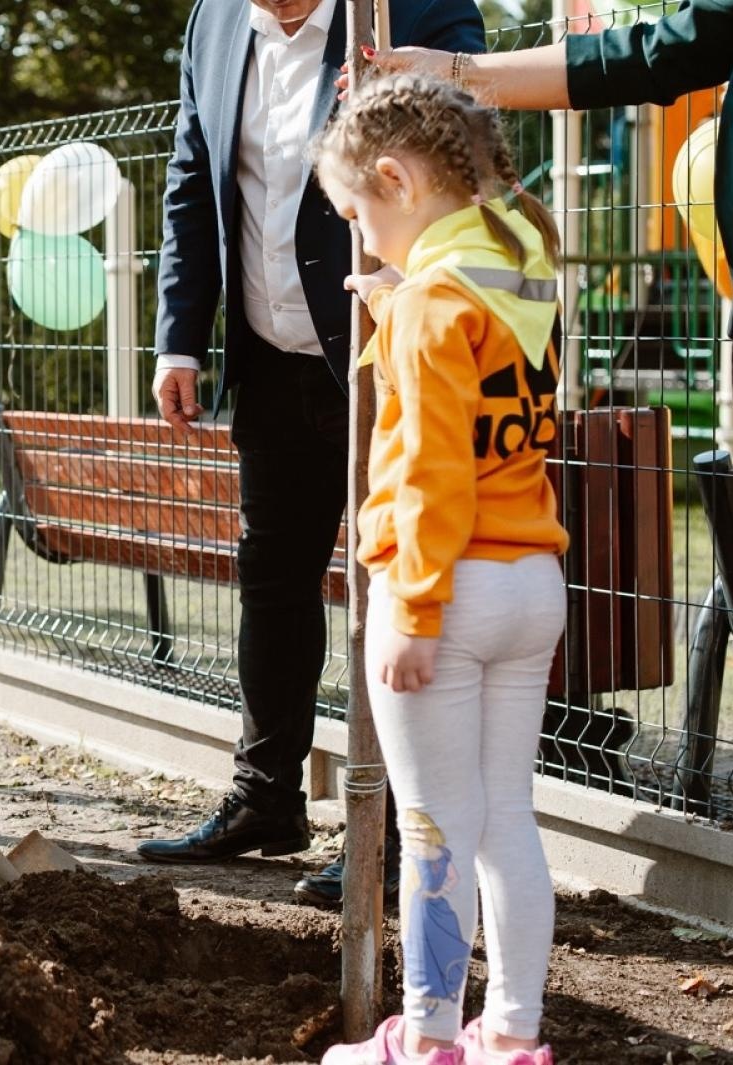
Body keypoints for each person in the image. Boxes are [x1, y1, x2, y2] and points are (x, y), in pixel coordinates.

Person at [137, 0, 484, 913]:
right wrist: (179, 338)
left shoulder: (417, 8)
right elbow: (191, 177)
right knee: (275, 581)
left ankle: (392, 827)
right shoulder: (214, 26)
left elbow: (476, 152)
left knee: (394, 589)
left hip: (388, 358)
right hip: (268, 360)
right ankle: (267, 799)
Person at [312, 73, 568, 1065]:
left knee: (431, 828)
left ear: (395, 179)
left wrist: (410, 610)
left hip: (445, 591)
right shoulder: (520, 260)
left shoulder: (425, 309)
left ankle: (422, 1041)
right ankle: (510, 1031)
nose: (363, 238)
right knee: (505, 818)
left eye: (357, 214)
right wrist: (399, 301)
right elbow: (480, 379)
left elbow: (427, 469)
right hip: (528, 584)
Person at [359, 0, 733, 434]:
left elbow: (429, 461)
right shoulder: (509, 257)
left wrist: (387, 301)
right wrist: (461, 71)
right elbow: (668, 48)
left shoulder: (448, 288)